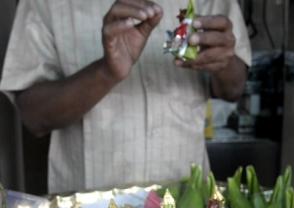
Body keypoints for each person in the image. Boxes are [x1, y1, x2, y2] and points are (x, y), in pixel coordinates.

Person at [0, 0, 251, 194]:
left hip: (187, 207)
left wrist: (223, 60)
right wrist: (106, 72)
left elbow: (233, 89)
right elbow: (34, 117)